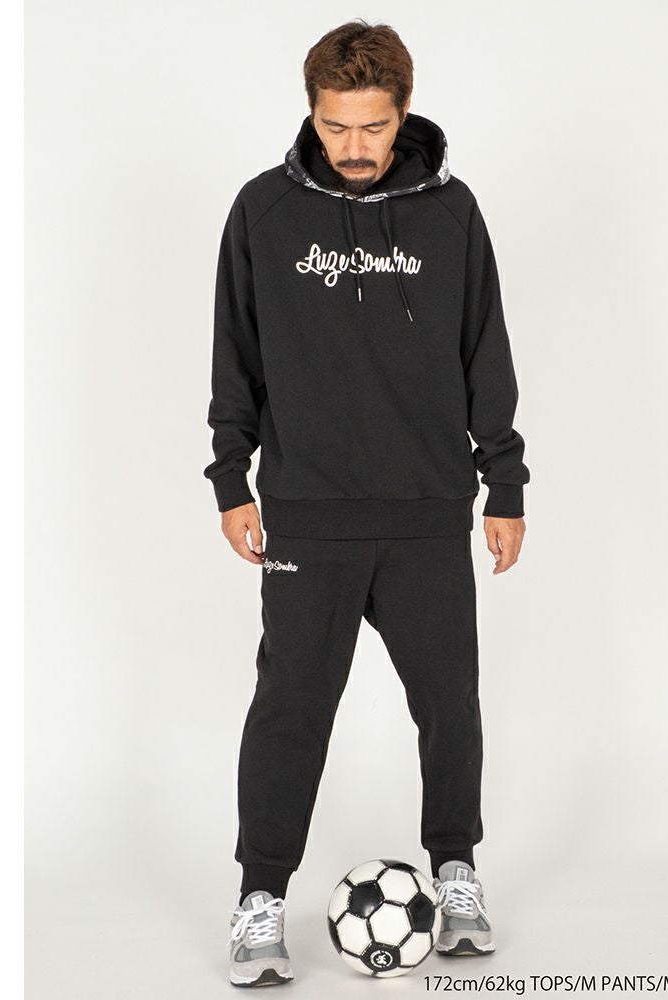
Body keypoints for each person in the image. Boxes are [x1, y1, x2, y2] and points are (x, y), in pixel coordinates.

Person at [203, 19, 530, 988]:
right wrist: (231, 478)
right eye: (335, 125)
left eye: (373, 127)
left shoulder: (451, 212)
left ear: (404, 112)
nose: (354, 146)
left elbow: (485, 349)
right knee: (290, 711)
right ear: (311, 113)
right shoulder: (263, 212)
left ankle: (456, 873)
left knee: (449, 705)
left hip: (429, 508)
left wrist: (504, 480)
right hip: (307, 512)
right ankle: (260, 899)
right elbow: (235, 354)